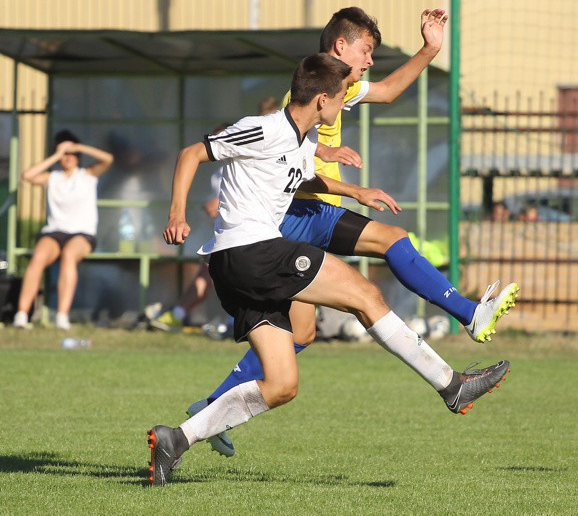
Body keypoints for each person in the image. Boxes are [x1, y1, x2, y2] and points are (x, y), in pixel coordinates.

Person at [147, 54, 511, 486]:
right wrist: (177, 214)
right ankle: (451, 384)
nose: (343, 107)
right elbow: (192, 153)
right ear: (322, 99)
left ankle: (176, 440)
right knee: (365, 296)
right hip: (252, 251)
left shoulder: (302, 142)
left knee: (282, 385)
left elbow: (300, 180)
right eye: (340, 99)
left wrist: (354, 191)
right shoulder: (264, 127)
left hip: (238, 267)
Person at [13, 130, 114, 330]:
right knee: (38, 258)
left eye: (71, 154)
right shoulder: (53, 177)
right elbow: (27, 175)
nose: (67, 158)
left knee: (69, 255)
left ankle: (61, 315)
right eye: (64, 154)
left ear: (78, 156)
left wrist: (77, 147)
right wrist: (56, 155)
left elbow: (108, 159)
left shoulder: (87, 175)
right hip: (55, 232)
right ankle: (22, 314)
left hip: (82, 234)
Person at [146, 123, 234, 333]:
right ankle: (178, 314)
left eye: (222, 139)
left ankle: (232, 322)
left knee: (232, 278)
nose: (216, 145)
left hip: (249, 236)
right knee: (208, 274)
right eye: (213, 140)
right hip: (225, 235)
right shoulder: (217, 173)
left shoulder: (245, 164)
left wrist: (219, 203)